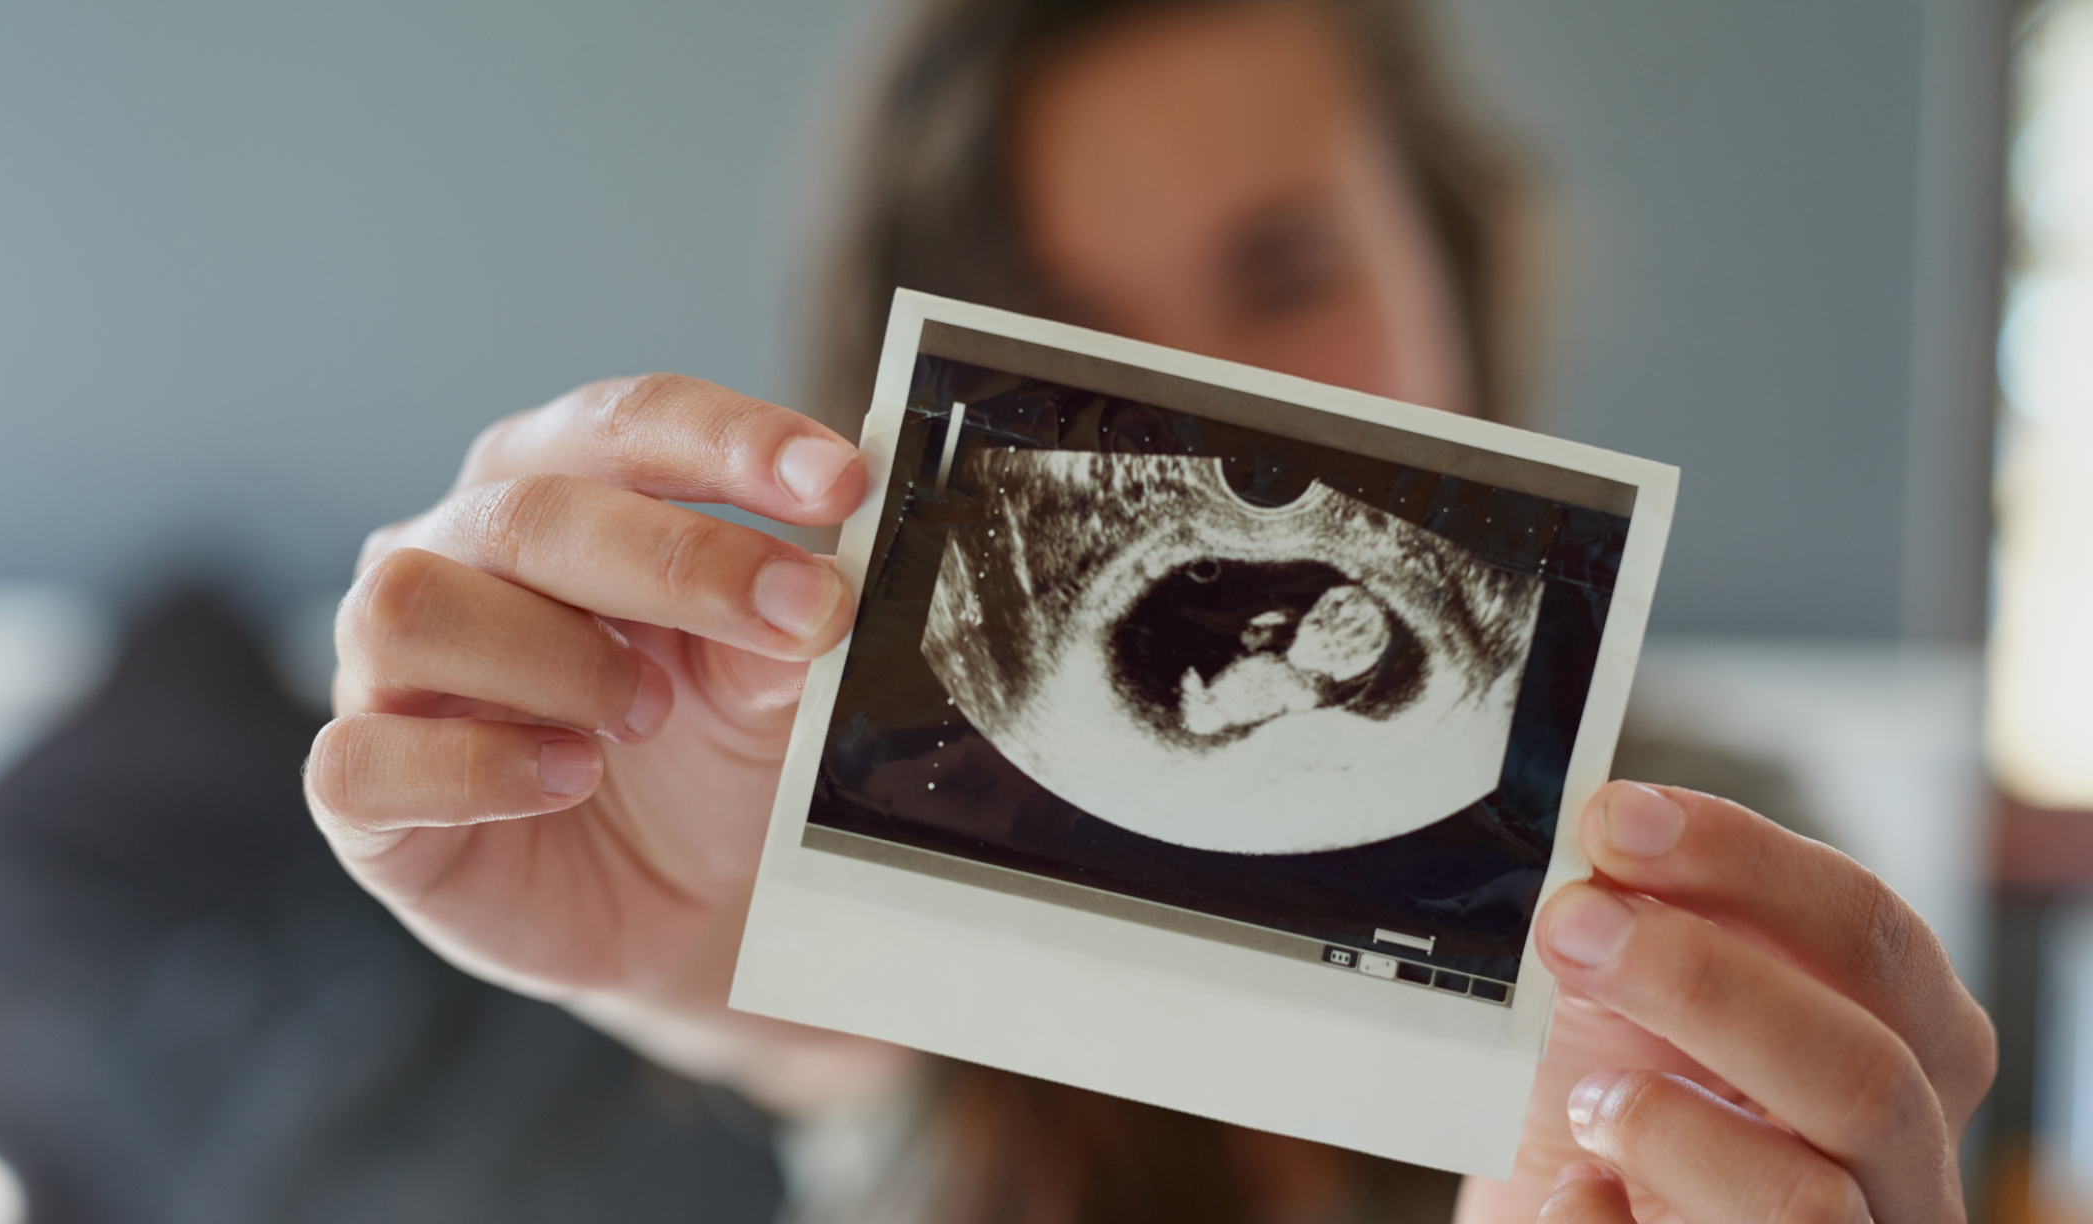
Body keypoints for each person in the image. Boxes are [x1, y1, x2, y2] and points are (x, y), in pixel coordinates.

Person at [303, 0, 1997, 1219]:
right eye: (1065, 330)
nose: (1211, 423)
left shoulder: (1718, 889)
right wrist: (725, 955)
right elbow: (883, 1090)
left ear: (1457, 268)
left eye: (1285, 271)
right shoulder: (911, 941)